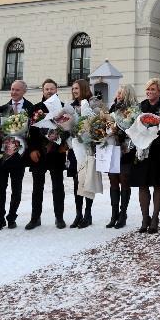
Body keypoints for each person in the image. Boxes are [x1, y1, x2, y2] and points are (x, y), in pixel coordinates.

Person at [25, 79, 67, 230]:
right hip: (40, 152)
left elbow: (68, 129)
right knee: (37, 187)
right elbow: (30, 132)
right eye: (46, 89)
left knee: (58, 187)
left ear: (57, 90)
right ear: (42, 91)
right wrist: (32, 150)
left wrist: (64, 144)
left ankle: (59, 217)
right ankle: (35, 218)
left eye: (52, 89)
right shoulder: (36, 108)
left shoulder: (63, 107)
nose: (49, 91)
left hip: (56, 153)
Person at [129, 78, 160, 233]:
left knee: (158, 183)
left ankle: (155, 217)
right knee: (142, 184)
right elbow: (132, 126)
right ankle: (145, 218)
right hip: (142, 150)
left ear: (159, 91)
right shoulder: (140, 107)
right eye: (148, 89)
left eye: (153, 89)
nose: (150, 92)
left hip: (159, 150)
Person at [0, 79, 33, 230]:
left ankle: (11, 217)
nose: (13, 92)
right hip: (3, 156)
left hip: (20, 156)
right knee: (0, 189)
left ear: (24, 91)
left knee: (16, 189)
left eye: (17, 90)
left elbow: (33, 131)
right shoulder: (2, 109)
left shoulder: (30, 108)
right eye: (12, 89)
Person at [104, 84, 136, 229]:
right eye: (118, 93)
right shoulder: (112, 108)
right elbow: (106, 126)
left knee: (124, 179)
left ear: (128, 95)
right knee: (113, 180)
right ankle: (114, 214)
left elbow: (135, 129)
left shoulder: (134, 110)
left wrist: (122, 134)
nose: (118, 95)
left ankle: (123, 214)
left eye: (122, 93)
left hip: (126, 150)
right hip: (112, 149)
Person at [68, 79, 97, 228]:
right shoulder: (70, 106)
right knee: (76, 182)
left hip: (87, 148)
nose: (74, 91)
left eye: (77, 88)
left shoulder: (93, 104)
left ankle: (88, 213)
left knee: (87, 180)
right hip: (74, 149)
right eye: (73, 88)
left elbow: (98, 124)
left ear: (84, 88)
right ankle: (78, 213)